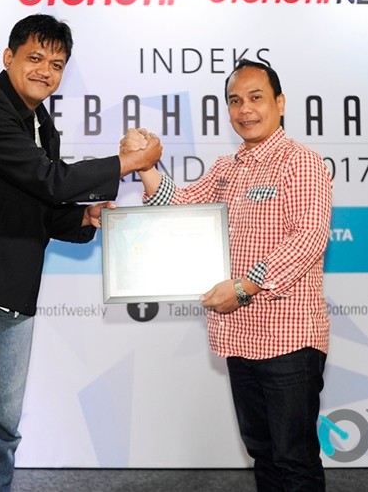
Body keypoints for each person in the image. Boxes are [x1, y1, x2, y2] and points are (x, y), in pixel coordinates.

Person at [0, 14, 161, 492]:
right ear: (9, 58)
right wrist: (131, 161)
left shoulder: (42, 125)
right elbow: (49, 180)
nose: (46, 70)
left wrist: (81, 218)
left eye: (57, 64)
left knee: (1, 434)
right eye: (35, 57)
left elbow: (37, 205)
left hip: (13, 297)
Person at [135, 59, 332, 491]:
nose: (245, 110)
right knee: (263, 452)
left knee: (294, 458)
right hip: (240, 337)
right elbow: (180, 206)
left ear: (280, 103)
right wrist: (145, 165)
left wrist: (244, 287)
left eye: (256, 98)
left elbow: (309, 238)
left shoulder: (301, 162)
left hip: (288, 338)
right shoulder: (228, 167)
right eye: (235, 101)